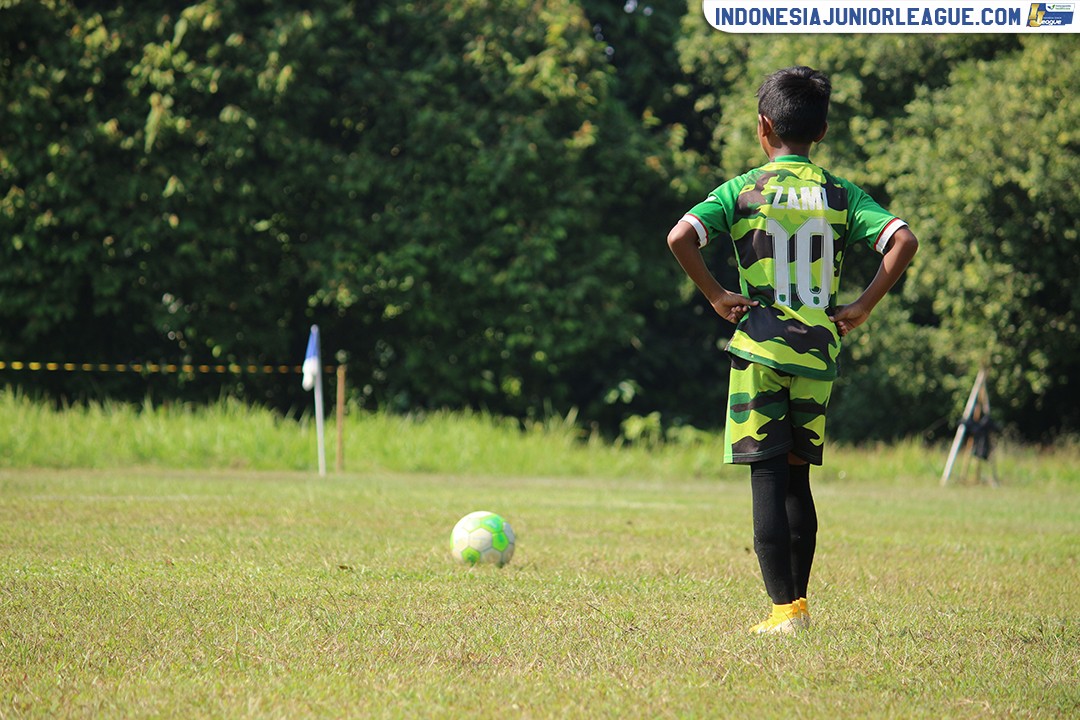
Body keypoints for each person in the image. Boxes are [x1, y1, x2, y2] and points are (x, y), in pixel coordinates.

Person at [666, 66, 919, 634]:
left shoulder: (741, 191)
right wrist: (863, 305)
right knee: (798, 479)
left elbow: (680, 236)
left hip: (760, 351)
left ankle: (783, 612)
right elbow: (902, 240)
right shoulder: (840, 194)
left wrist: (716, 295)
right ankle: (797, 607)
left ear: (763, 127)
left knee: (766, 478)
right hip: (817, 356)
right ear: (821, 131)